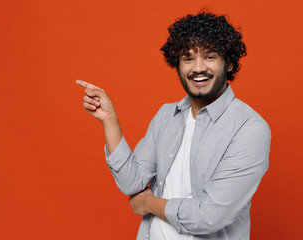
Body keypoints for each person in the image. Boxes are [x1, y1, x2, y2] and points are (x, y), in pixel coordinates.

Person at [76, 12, 271, 240]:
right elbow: (132, 182)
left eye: (210, 57)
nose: (198, 68)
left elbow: (208, 216)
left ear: (228, 64)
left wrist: (148, 203)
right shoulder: (167, 115)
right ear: (177, 65)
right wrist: (110, 121)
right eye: (188, 58)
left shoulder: (250, 128)